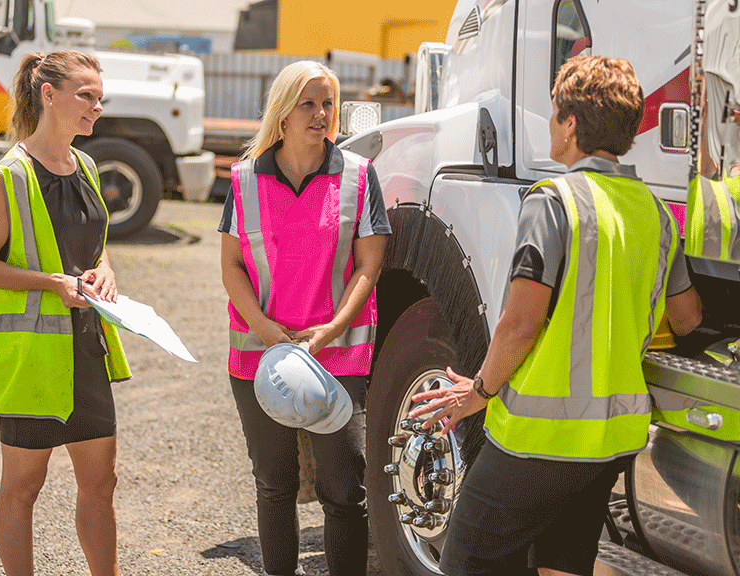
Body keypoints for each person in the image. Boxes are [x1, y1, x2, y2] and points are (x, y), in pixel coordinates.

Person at [409, 55, 703, 576]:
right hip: (611, 438)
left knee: (468, 556)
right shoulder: (654, 212)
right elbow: (687, 318)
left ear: (570, 125)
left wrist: (478, 391)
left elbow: (520, 324)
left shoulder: (554, 201)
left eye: (553, 114)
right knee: (564, 563)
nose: (549, 124)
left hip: (538, 436)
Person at [0, 51, 131, 576]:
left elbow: (94, 246)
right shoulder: (11, 175)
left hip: (84, 348)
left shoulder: (89, 167)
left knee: (102, 482)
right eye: (86, 96)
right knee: (23, 489)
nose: (96, 107)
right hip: (32, 360)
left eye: (100, 98)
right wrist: (53, 284)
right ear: (48, 95)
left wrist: (105, 270)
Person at [218, 60, 391, 576]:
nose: (321, 115)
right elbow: (230, 267)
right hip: (259, 356)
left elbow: (370, 263)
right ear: (283, 113)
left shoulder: (359, 176)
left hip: (337, 356)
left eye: (328, 104)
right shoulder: (245, 179)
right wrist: (266, 330)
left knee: (343, 490)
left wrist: (333, 327)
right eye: (308, 104)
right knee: (275, 484)